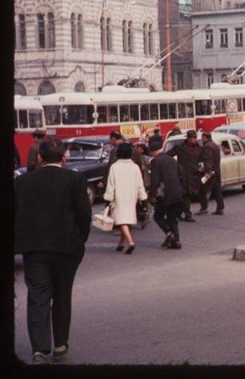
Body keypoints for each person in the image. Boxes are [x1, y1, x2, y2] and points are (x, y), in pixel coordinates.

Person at [15, 137, 91, 364]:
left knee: (38, 296)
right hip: (67, 248)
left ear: (39, 157)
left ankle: (39, 349)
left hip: (35, 248)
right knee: (62, 295)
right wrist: (79, 242)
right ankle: (59, 344)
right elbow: (83, 215)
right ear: (64, 157)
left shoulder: (23, 181)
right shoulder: (75, 179)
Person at [103, 142, 148, 254]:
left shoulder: (114, 167)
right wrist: (143, 199)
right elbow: (140, 184)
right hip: (131, 197)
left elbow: (111, 185)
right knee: (127, 221)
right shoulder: (135, 167)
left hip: (118, 197)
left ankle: (131, 242)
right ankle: (121, 244)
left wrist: (108, 199)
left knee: (121, 221)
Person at [148, 138, 183, 249]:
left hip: (164, 195)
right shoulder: (172, 160)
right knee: (172, 217)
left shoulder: (155, 161)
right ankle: (176, 241)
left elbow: (155, 180)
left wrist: (152, 195)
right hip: (176, 193)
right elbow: (182, 174)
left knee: (158, 216)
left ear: (153, 152)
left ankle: (169, 233)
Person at [167, 130, 201, 222]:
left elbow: (202, 159)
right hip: (182, 174)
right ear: (188, 138)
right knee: (184, 195)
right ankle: (186, 214)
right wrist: (175, 165)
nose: (194, 140)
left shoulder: (198, 147)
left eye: (195, 138)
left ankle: (181, 213)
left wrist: (201, 167)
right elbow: (168, 155)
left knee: (188, 195)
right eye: (192, 138)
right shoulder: (180, 147)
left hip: (193, 174)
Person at [197, 131, 224, 216]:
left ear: (205, 137)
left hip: (209, 173)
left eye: (202, 137)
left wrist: (206, 172)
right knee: (217, 190)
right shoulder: (215, 145)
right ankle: (220, 208)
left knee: (201, 188)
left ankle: (204, 208)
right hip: (216, 171)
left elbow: (208, 160)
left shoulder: (207, 147)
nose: (201, 139)